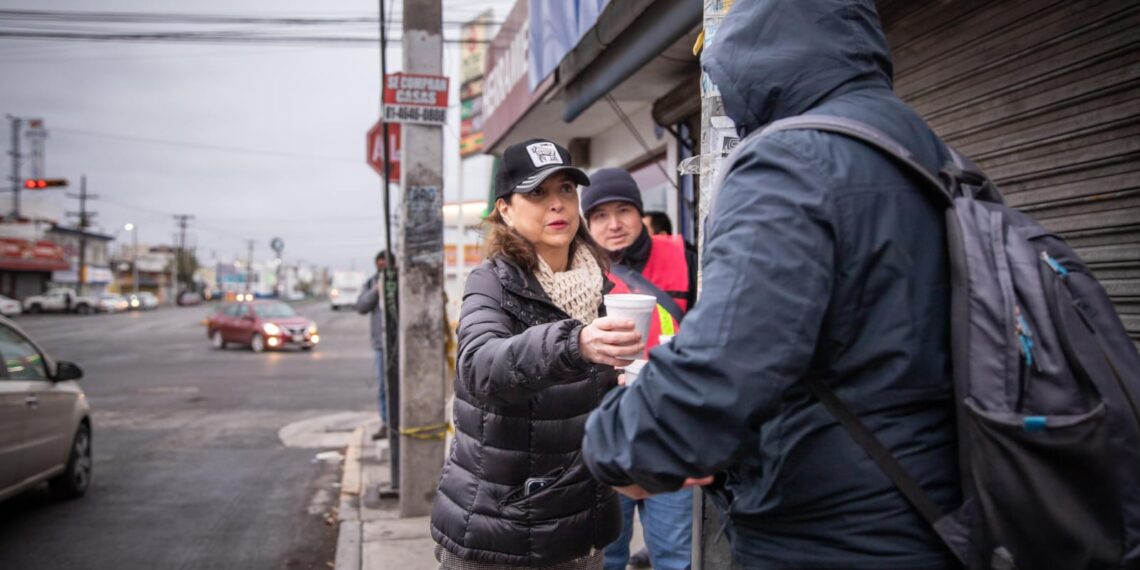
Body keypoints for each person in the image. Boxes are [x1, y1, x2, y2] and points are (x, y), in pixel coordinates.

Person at [582, 0, 961, 568]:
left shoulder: (790, 163)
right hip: (939, 513)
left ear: (757, 52)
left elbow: (725, 361)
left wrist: (614, 442)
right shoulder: (925, 151)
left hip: (833, 532)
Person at [430, 138, 642, 569]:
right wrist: (575, 343)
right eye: (537, 193)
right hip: (503, 529)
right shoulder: (493, 282)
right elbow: (478, 368)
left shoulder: (598, 285)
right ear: (505, 209)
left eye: (566, 190)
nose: (557, 205)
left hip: (584, 526)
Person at [581, 169, 693, 570]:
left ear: (640, 213)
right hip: (608, 431)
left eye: (623, 210)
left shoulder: (685, 258)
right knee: (607, 555)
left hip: (673, 432)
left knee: (676, 556)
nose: (613, 224)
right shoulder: (577, 275)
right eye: (600, 215)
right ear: (587, 223)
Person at [355, 250, 391, 440]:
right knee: (383, 386)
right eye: (379, 262)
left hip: (397, 343)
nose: (382, 265)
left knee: (396, 385)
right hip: (380, 342)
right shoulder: (371, 283)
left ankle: (397, 420)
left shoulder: (398, 281)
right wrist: (376, 290)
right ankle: (386, 422)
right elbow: (361, 306)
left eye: (385, 262)